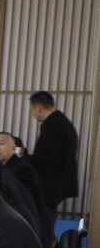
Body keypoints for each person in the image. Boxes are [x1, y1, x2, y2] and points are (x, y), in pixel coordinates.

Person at [29, 90, 80, 240]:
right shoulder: (61, 122)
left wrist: (23, 157)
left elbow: (46, 158)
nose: (33, 114)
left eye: (32, 109)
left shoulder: (53, 124)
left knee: (44, 220)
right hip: (58, 181)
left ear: (38, 107)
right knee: (47, 218)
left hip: (51, 182)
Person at [0, 131, 50, 248]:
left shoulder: (22, 169)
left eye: (1, 143)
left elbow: (20, 202)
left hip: (27, 223)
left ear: (13, 148)